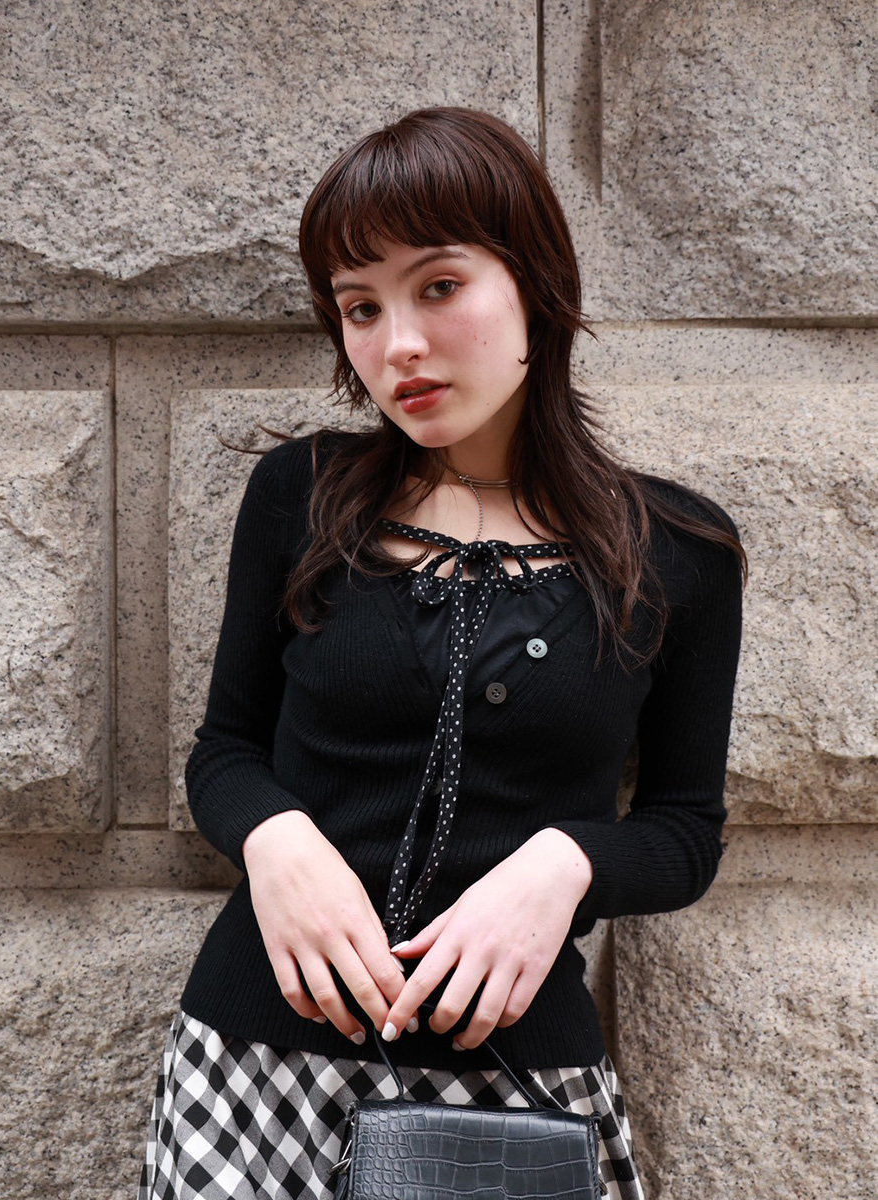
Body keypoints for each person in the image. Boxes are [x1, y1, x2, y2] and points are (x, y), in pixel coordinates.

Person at [139, 106, 744, 1200]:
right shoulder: (301, 496)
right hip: (249, 1071)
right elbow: (225, 750)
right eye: (360, 307)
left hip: (514, 1096)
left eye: (439, 286)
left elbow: (685, 831)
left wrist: (565, 867)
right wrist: (276, 842)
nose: (397, 346)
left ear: (536, 285)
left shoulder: (678, 551)